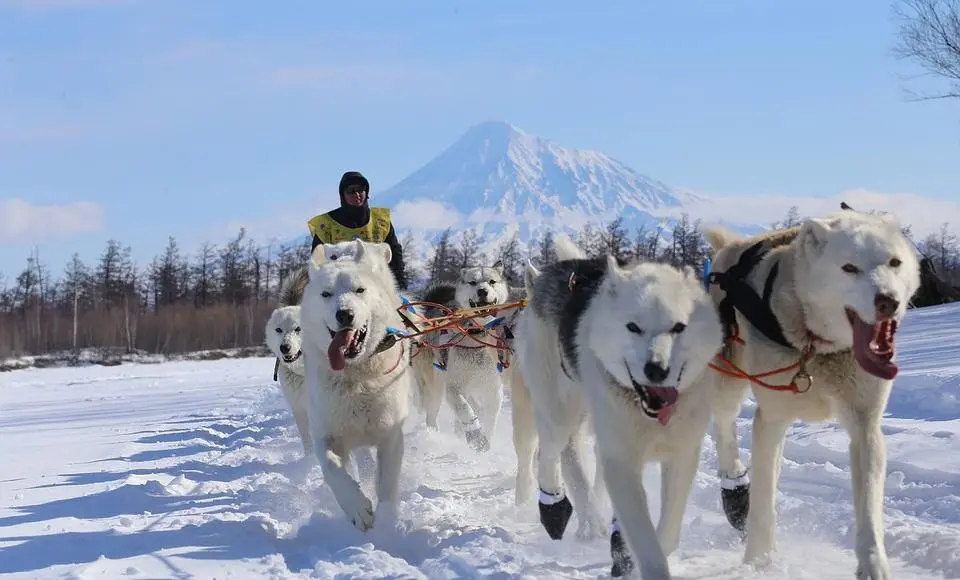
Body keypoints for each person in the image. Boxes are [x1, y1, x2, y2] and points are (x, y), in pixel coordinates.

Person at [307, 170, 408, 289]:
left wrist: (399, 284)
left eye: (360, 189)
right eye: (351, 191)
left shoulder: (381, 222)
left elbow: (395, 255)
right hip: (338, 289)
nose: (357, 195)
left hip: (377, 287)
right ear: (343, 195)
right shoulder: (326, 226)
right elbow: (317, 263)